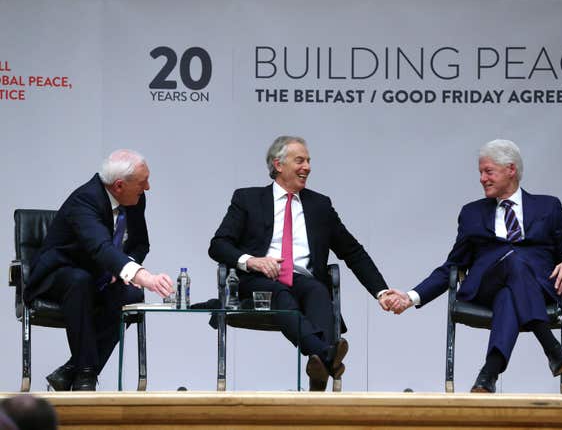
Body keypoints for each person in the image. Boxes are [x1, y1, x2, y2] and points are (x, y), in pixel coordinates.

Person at [382, 139, 562, 393]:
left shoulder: (548, 206)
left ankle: (488, 374)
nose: (482, 178)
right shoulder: (472, 213)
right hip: (485, 288)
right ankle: (552, 348)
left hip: (533, 288)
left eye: (488, 171)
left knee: (509, 291)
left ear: (510, 170)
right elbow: (453, 265)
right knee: (513, 260)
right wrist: (412, 297)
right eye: (480, 172)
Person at [209, 135, 389, 391]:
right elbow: (218, 245)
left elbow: (352, 251)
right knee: (281, 294)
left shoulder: (320, 205)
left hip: (304, 281)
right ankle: (326, 355)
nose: (307, 167)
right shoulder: (247, 199)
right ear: (278, 165)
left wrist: (380, 291)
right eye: (300, 160)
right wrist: (253, 261)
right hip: (260, 281)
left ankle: (319, 365)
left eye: (308, 161)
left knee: (317, 290)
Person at [24, 149, 174, 391]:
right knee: (79, 280)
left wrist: (122, 267)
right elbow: (100, 248)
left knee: (132, 295)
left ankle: (72, 370)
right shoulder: (85, 200)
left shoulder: (134, 198)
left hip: (97, 275)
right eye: (142, 181)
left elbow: (139, 244)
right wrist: (142, 275)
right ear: (118, 186)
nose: (148, 187)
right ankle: (85, 375)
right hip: (59, 273)